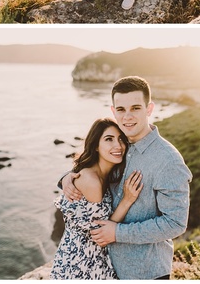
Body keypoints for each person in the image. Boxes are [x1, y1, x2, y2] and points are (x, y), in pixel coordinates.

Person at [61, 76, 192, 280]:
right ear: (113, 111)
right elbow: (94, 170)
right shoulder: (119, 148)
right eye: (121, 110)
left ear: (149, 109)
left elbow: (175, 223)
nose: (127, 117)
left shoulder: (168, 160)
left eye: (136, 108)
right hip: (106, 269)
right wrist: (68, 177)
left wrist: (118, 233)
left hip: (146, 273)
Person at [50, 118, 143, 279]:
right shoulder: (92, 181)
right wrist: (127, 200)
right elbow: (101, 235)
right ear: (96, 147)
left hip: (88, 260)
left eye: (121, 139)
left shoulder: (104, 175)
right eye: (109, 139)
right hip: (80, 265)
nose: (118, 145)